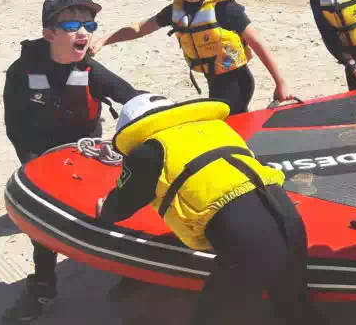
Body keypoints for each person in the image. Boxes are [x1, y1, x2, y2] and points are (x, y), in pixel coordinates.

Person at [96, 94, 322, 325]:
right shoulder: (216, 129)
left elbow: (122, 203)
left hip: (248, 242)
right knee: (294, 305)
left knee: (212, 316)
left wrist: (104, 213)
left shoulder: (148, 151)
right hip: (289, 219)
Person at [2, 0, 138, 322]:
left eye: (90, 26)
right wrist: (35, 164)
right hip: (42, 159)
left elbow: (134, 98)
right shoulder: (22, 73)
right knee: (43, 231)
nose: (84, 32)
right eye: (73, 25)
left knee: (121, 205)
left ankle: (133, 270)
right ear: (49, 33)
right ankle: (43, 288)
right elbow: (15, 126)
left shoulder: (91, 71)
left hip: (88, 154)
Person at [89, 0, 292, 114]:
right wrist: (103, 40)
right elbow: (139, 29)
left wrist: (280, 83)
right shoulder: (175, 12)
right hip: (213, 81)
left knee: (230, 122)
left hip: (237, 81)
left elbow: (257, 43)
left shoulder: (224, 8)